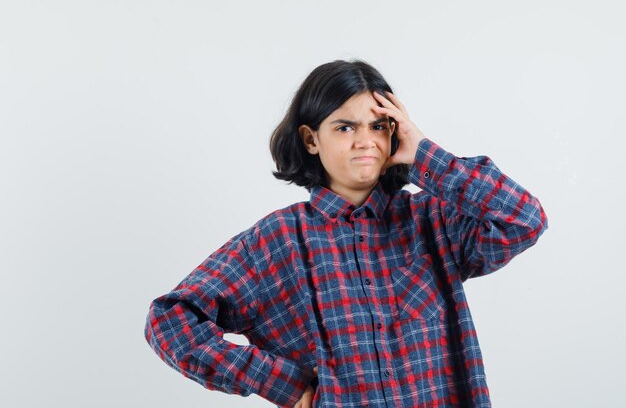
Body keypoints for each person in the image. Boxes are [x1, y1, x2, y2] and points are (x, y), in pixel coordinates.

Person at [144, 59, 548, 408]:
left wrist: (423, 152)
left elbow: (523, 220)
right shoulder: (277, 240)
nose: (366, 141)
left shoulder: (434, 220)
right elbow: (170, 321)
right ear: (310, 139)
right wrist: (279, 381)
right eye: (344, 127)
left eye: (379, 125)